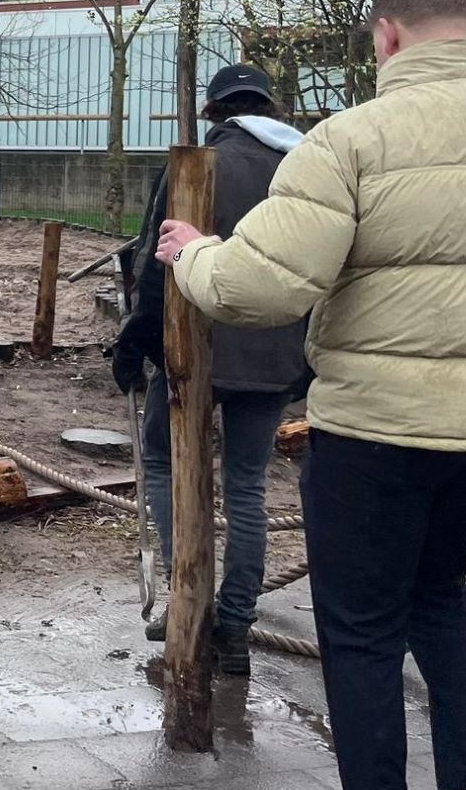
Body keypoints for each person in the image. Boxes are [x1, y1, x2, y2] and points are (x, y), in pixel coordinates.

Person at [158, 0, 466, 790]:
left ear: (386, 34)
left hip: (378, 429)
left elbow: (262, 288)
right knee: (440, 595)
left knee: (362, 628)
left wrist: (195, 253)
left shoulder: (354, 139)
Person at [113, 63, 308, 677]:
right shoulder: (301, 166)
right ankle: (236, 625)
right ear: (269, 109)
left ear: (214, 112)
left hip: (194, 349)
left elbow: (156, 263)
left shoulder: (192, 164)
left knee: (168, 464)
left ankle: (186, 602)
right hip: (276, 353)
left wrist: (134, 343)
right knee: (248, 486)